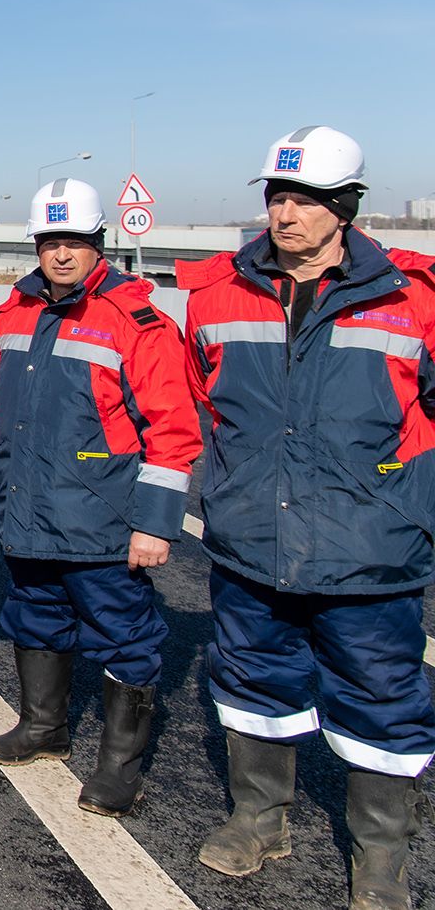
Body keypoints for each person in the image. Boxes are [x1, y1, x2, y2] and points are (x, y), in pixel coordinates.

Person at [180, 126, 434, 908]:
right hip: (253, 538)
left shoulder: (413, 299)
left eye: (302, 200)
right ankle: (259, 818)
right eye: (275, 197)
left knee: (381, 694)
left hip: (370, 544)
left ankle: (381, 854)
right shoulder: (217, 294)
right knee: (255, 678)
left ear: (346, 207)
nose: (283, 214)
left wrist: (405, 497)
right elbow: (200, 402)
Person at [0, 179, 201, 816]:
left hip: (102, 519)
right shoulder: (13, 313)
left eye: (73, 241)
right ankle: (44, 728)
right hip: (26, 511)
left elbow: (173, 429)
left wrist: (155, 525)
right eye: (49, 242)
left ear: (97, 243)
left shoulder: (136, 321)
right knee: (35, 616)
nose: (61, 254)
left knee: (124, 637)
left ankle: (119, 767)